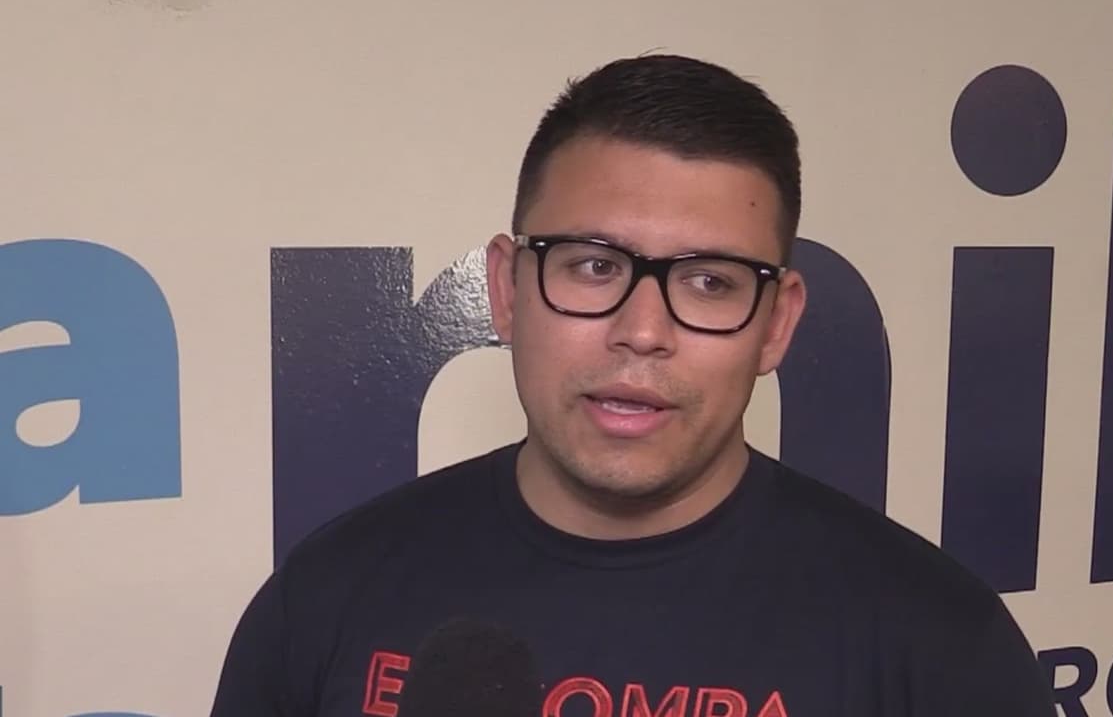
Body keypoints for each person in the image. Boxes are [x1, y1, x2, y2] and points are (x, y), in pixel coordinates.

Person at [210, 53, 1057, 716]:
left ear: (776, 324)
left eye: (710, 282)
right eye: (593, 265)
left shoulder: (941, 646)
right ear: (505, 290)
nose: (643, 330)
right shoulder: (324, 597)